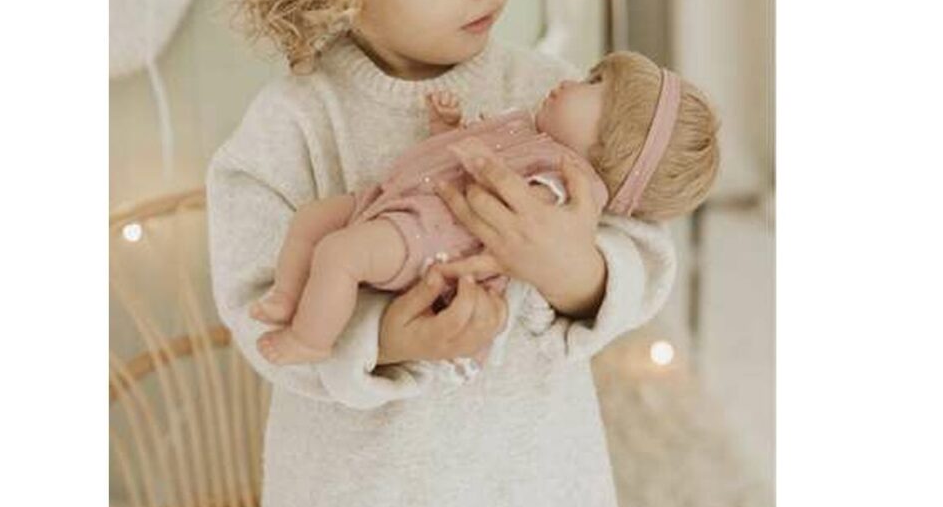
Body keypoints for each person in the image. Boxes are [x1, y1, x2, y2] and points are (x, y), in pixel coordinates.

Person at [206, 0, 680, 507]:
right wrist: (386, 341)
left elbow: (646, 241)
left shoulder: (550, 94)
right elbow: (260, 312)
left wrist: (578, 271)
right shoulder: (292, 126)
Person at [250, 51, 719, 370]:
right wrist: (449, 130)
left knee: (339, 254)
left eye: (594, 85)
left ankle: (310, 339)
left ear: (617, 144)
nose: (570, 81)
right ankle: (287, 295)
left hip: (425, 236)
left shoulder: (568, 183)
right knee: (311, 221)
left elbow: (529, 218)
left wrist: (574, 273)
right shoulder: (531, 131)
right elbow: (458, 162)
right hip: (395, 201)